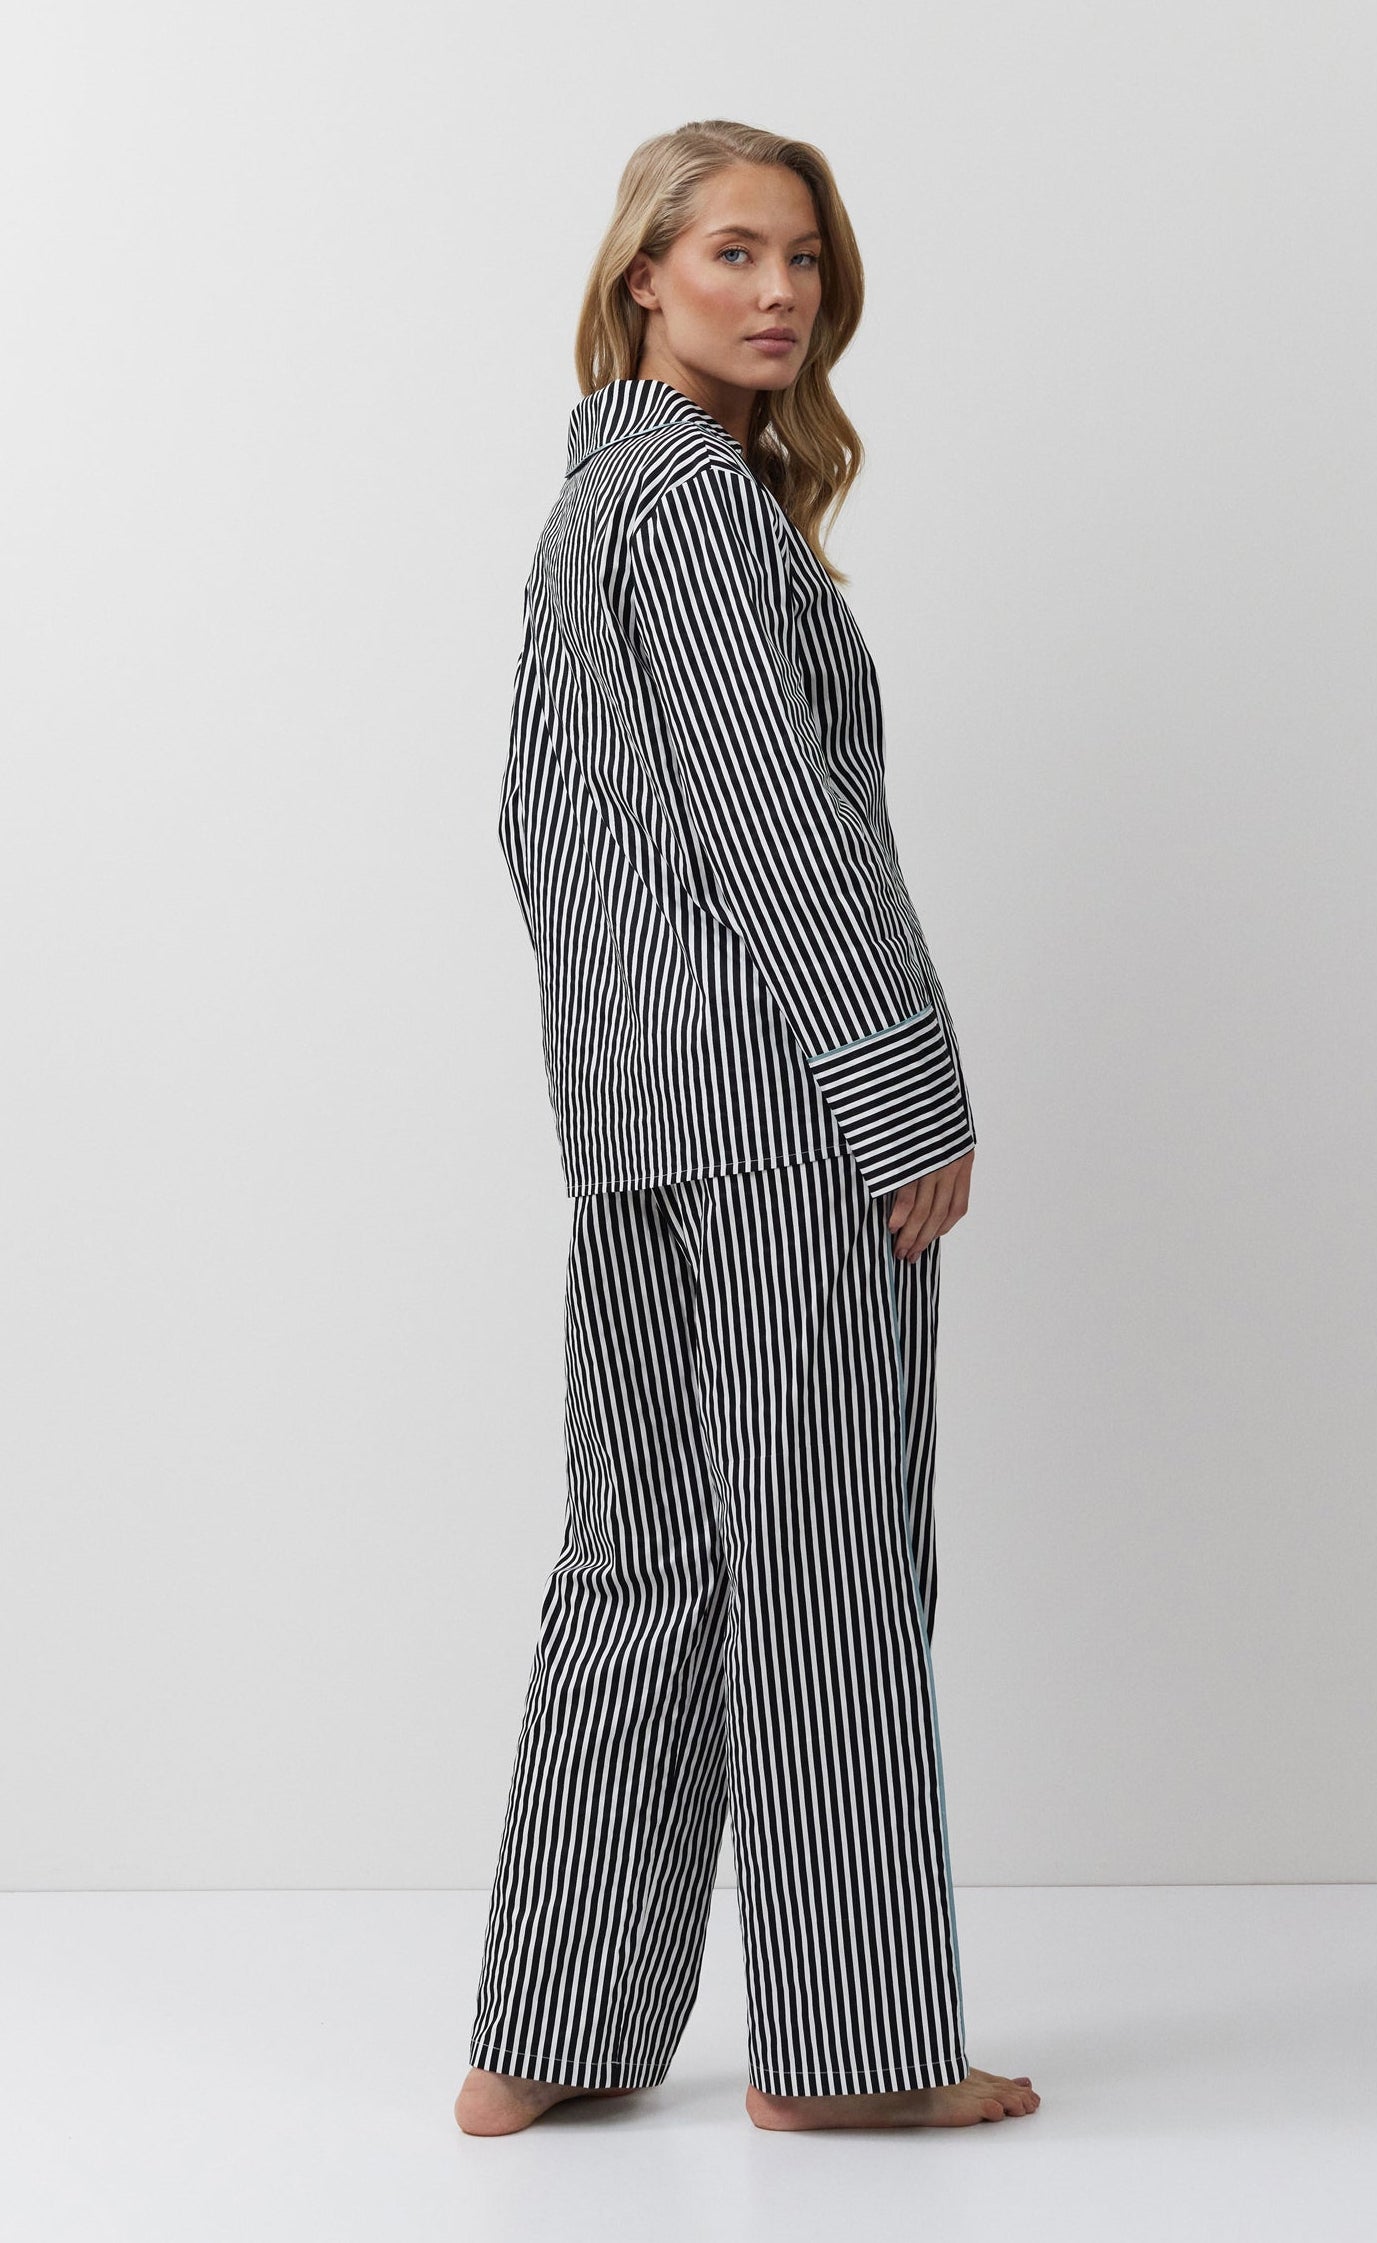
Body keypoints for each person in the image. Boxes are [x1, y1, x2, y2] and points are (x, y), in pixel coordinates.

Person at [454, 118, 1040, 2137]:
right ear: (643, 275)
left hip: (632, 1111)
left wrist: (622, 1080)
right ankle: (852, 2055)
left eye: (800, 258)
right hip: (776, 1111)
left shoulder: (589, 509)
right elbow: (778, 833)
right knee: (824, 1562)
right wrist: (898, 1088)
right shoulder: (689, 510)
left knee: (641, 1558)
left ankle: (546, 2034)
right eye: (731, 253)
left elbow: (540, 842)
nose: (778, 291)